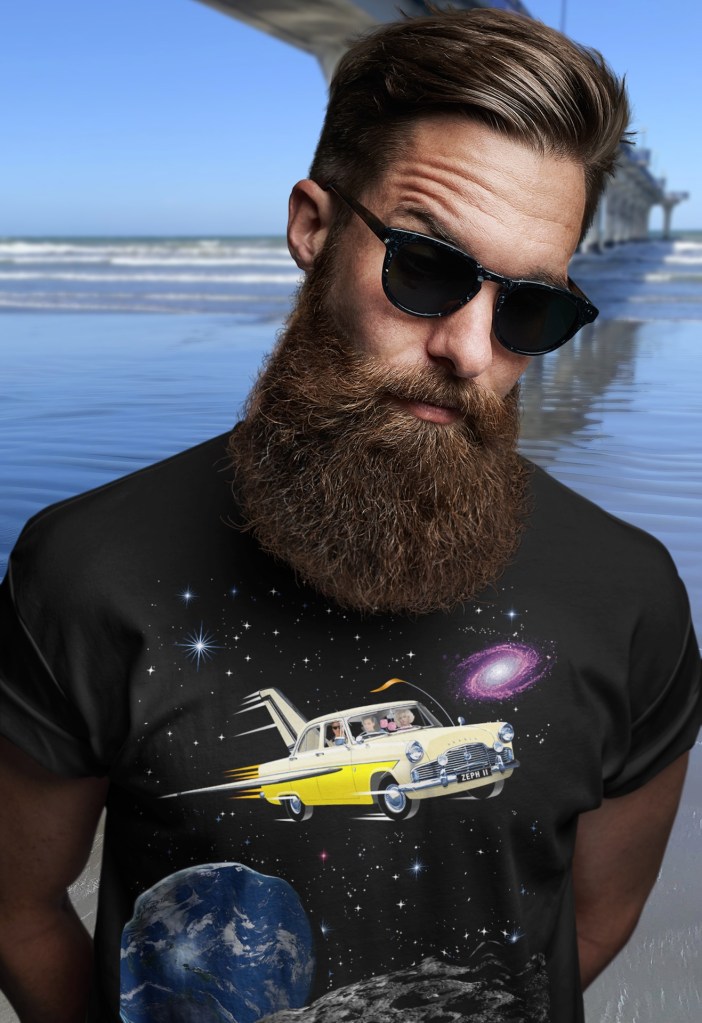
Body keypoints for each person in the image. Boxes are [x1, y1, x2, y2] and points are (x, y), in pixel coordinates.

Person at [0, 9, 700, 1023]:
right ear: (313, 227)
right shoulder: (88, 566)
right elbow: (17, 903)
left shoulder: (630, 594)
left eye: (529, 311)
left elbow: (590, 920)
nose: (470, 349)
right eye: (426, 268)